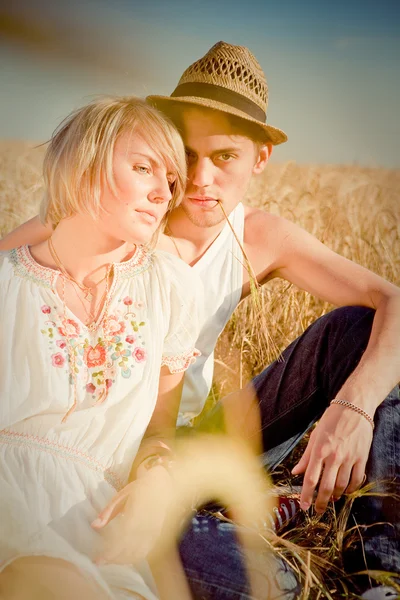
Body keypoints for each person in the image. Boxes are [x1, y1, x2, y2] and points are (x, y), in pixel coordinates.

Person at [1, 42, 399, 599]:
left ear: (260, 158)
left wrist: (351, 410)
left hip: (194, 434)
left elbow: (393, 302)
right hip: (113, 448)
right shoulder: (122, 214)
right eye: (184, 155)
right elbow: (18, 261)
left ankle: (380, 572)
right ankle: (240, 525)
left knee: (360, 332)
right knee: (224, 571)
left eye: (226, 157)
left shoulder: (260, 236)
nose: (197, 180)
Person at [0, 96, 206, 600]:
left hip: (101, 521)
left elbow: (159, 430)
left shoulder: (171, 289)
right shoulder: (6, 285)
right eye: (143, 168)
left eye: (172, 181)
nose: (164, 193)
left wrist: (160, 477)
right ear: (84, 162)